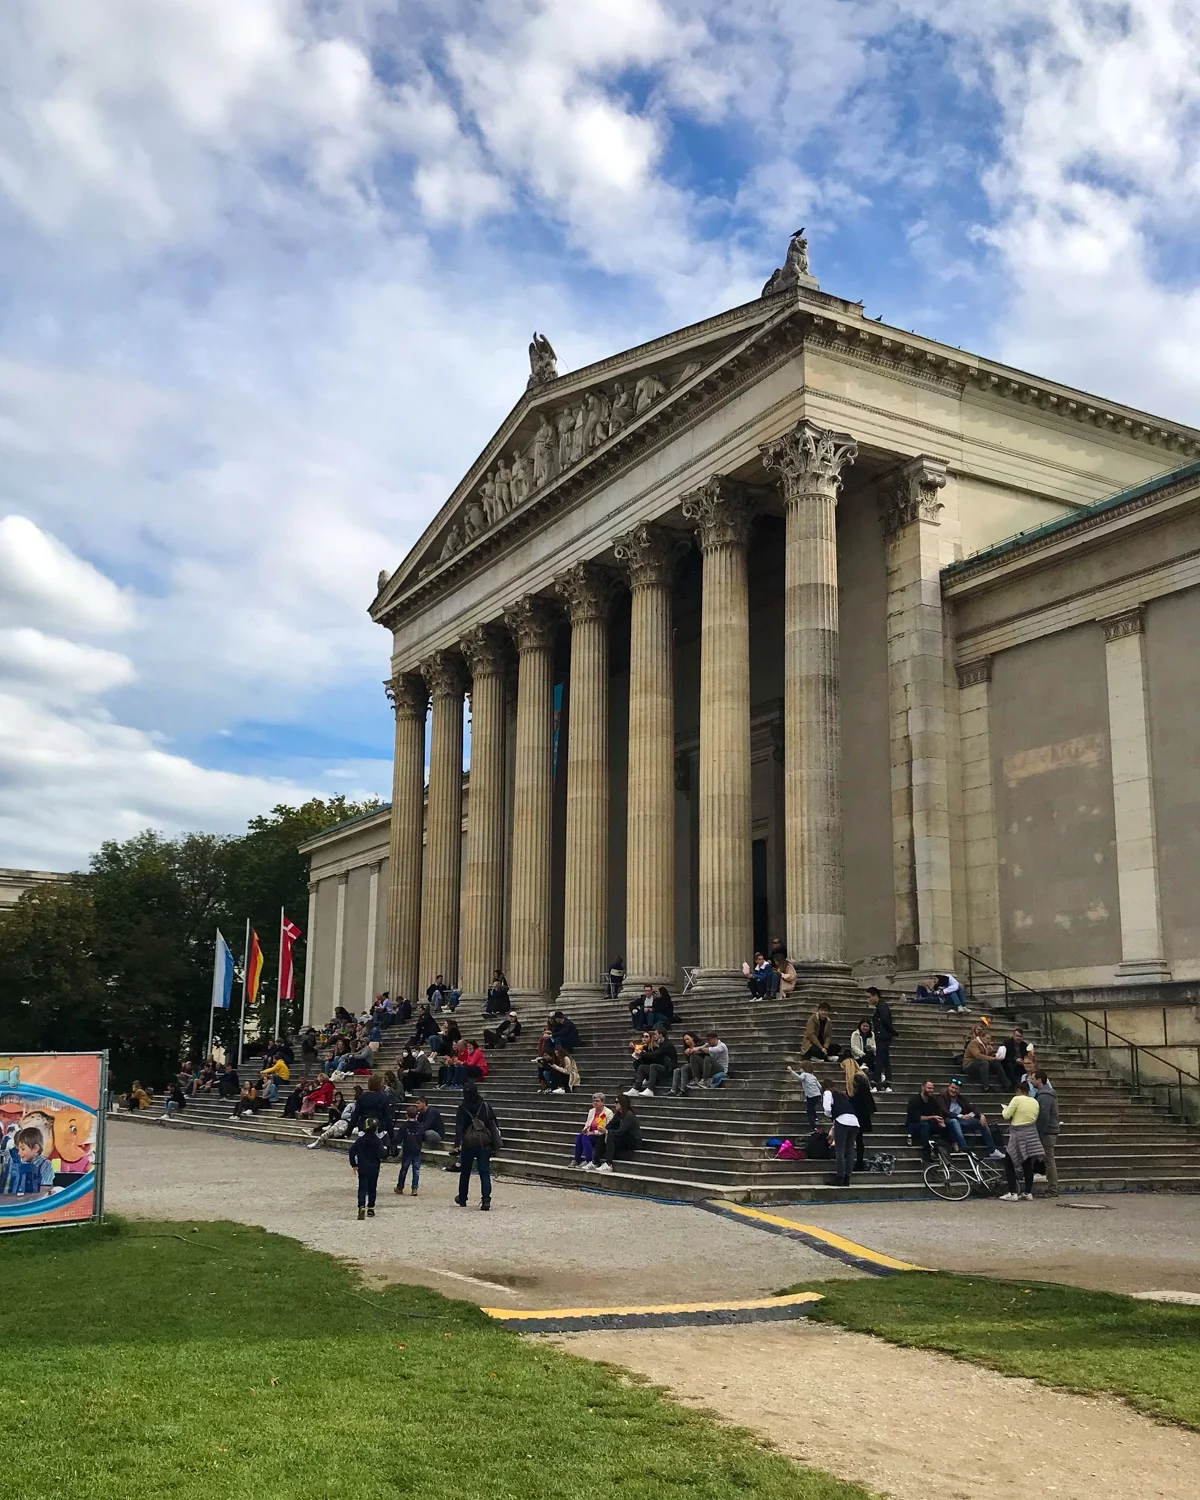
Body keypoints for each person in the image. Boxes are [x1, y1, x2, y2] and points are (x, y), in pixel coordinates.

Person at [454, 1081, 499, 1210]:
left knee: (465, 1172)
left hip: (469, 1143)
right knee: (484, 1172)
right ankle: (486, 1200)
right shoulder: (485, 1105)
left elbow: (459, 1126)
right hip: (484, 1142)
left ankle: (462, 1198)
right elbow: (493, 1122)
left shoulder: (463, 1107)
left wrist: (457, 1143)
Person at [999, 1081, 1043, 1200]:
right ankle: (1028, 1192)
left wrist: (1005, 1109)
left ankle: (1012, 1192)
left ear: (1018, 1090)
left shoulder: (1016, 1099)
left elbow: (1006, 1115)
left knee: (1009, 1162)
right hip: (1031, 1133)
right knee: (1028, 1164)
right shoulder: (1035, 1101)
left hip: (1018, 1133)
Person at [940, 1080, 1004, 1157]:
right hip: (947, 1122)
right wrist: (960, 1116)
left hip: (961, 1123)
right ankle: (965, 1149)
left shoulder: (960, 1098)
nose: (953, 1090)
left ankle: (992, 1150)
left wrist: (981, 1115)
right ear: (948, 1087)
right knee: (954, 1121)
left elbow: (972, 1107)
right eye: (952, 1087)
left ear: (959, 1090)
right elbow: (945, 1111)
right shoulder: (942, 1097)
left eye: (956, 1089)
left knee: (981, 1122)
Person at [822, 1080, 860, 1187]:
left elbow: (827, 1108)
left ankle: (839, 1177)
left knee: (840, 1150)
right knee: (850, 1150)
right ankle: (847, 1177)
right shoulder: (842, 1095)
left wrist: (829, 1115)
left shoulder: (828, 1093)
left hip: (842, 1121)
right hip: (854, 1122)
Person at [587, 1095, 640, 1172]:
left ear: (622, 1103)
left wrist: (607, 1131)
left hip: (632, 1141)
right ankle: (595, 1161)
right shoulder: (618, 1114)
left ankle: (609, 1164)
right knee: (603, 1135)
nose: (615, 1104)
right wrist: (603, 1130)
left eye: (616, 1102)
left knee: (610, 1135)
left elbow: (621, 1131)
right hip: (622, 1138)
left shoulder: (629, 1115)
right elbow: (610, 1125)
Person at [348, 1118, 385, 1220]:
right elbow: (382, 1154)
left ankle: (361, 1206)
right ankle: (371, 1208)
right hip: (374, 1168)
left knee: (362, 1188)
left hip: (362, 1167)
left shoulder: (360, 1140)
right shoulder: (378, 1141)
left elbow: (352, 1152)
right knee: (372, 1188)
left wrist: (354, 1164)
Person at [0, 1127, 55, 1195]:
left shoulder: (46, 1165)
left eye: (23, 1149)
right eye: (19, 1149)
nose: (19, 1153)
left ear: (35, 1148)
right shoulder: (20, 1164)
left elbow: (43, 1192)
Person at [1032, 1070, 1060, 1195]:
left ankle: (1053, 1188)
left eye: (1033, 1078)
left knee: (1049, 1160)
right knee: (1048, 1159)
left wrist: (1039, 1132)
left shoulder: (1044, 1096)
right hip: (1049, 1130)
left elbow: (1043, 1116)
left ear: (1039, 1080)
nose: (1031, 1081)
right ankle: (1052, 1186)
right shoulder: (1046, 1094)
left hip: (1047, 1132)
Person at [905, 1079, 949, 1158]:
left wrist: (940, 1121)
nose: (931, 1090)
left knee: (947, 1123)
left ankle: (949, 1145)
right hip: (914, 1125)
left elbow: (938, 1112)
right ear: (922, 1088)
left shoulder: (932, 1100)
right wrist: (933, 1117)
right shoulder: (914, 1101)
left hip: (928, 1124)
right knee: (924, 1125)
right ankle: (926, 1150)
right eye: (929, 1088)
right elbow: (917, 1118)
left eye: (932, 1088)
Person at [627, 1028, 677, 1096]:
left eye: (655, 1034)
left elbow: (656, 1054)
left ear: (661, 1035)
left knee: (653, 1066)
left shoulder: (666, 1044)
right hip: (663, 1066)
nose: (654, 1036)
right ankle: (636, 1089)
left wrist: (641, 1053)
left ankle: (650, 1089)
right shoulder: (662, 1044)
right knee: (642, 1067)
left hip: (669, 1068)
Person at [962, 1023, 1007, 1092]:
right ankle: (986, 1087)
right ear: (981, 1037)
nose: (989, 1040)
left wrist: (992, 1054)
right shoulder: (974, 1043)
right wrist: (992, 1058)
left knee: (996, 1063)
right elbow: (977, 1055)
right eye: (987, 1038)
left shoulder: (985, 1044)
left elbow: (987, 1056)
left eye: (990, 1038)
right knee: (984, 1063)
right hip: (969, 1065)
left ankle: (1006, 1084)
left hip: (980, 1064)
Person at [570, 1094, 611, 1167]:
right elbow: (587, 1123)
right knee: (581, 1136)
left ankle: (588, 1160)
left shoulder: (607, 1113)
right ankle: (577, 1160)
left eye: (597, 1101)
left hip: (601, 1136)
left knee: (585, 1137)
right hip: (591, 1134)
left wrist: (592, 1133)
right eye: (594, 1101)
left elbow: (605, 1129)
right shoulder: (591, 1111)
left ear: (603, 1102)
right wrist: (585, 1130)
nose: (595, 1103)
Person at [393, 1106, 425, 1196]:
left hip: (407, 1149)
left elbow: (398, 1139)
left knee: (404, 1169)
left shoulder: (404, 1126)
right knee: (416, 1170)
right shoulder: (420, 1126)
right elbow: (422, 1137)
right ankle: (414, 1188)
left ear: (406, 1115)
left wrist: (391, 1143)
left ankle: (400, 1187)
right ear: (417, 1115)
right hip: (417, 1149)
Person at [867, 988, 895, 1091]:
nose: (868, 999)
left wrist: (892, 1031)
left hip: (882, 1037)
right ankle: (887, 1083)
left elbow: (884, 1021)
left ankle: (875, 1082)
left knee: (879, 1059)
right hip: (884, 1036)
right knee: (885, 1060)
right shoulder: (881, 1006)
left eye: (870, 997)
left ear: (875, 996)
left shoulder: (881, 1007)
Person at [850, 1067, 875, 1170]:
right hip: (863, 1118)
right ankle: (859, 1161)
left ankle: (858, 1162)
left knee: (857, 1140)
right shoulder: (866, 1094)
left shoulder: (857, 1096)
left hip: (857, 1119)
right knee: (859, 1141)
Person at [786, 1061, 823, 1131]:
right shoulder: (813, 1076)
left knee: (809, 1111)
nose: (800, 1070)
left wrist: (791, 1071)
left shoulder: (804, 1074)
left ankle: (813, 1127)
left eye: (801, 1068)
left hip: (811, 1095)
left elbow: (799, 1078)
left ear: (805, 1068)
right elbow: (820, 1086)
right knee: (812, 1107)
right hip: (817, 1095)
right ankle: (816, 1117)